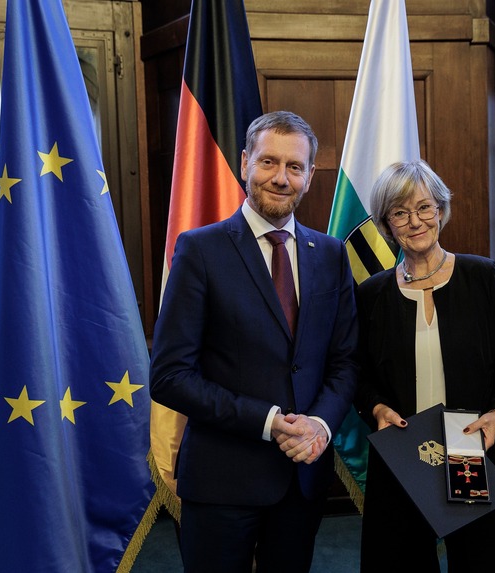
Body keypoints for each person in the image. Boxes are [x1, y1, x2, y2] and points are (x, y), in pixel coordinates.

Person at [149, 110, 359, 573]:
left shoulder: (329, 254)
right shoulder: (200, 250)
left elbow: (345, 362)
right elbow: (169, 377)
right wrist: (267, 421)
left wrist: (320, 426)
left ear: (309, 175)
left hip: (301, 476)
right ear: (245, 162)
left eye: (294, 167)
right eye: (268, 162)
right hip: (222, 479)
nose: (280, 178)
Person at [354, 159, 495, 573]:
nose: (415, 221)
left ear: (441, 209)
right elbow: (358, 374)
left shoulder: (482, 276)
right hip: (406, 453)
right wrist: (376, 408)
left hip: (471, 447)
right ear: (387, 224)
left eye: (424, 207)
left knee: (479, 560)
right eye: (400, 212)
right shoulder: (371, 294)